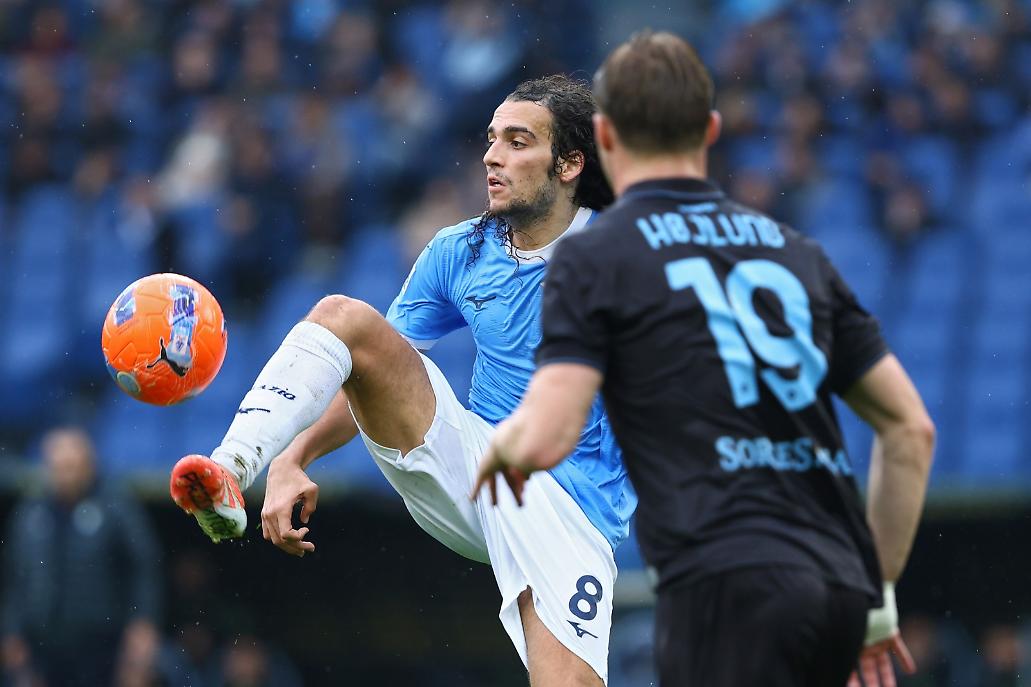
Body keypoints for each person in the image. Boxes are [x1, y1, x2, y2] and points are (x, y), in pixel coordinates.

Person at [474, 31, 935, 687]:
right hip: (829, 580)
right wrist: (875, 596)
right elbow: (910, 429)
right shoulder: (794, 251)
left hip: (721, 581)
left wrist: (501, 446)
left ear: (602, 139)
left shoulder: (600, 256)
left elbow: (551, 425)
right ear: (710, 129)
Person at [169, 75, 636, 686]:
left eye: (519, 142)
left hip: (570, 505)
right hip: (476, 464)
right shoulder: (460, 251)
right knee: (346, 319)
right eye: (491, 139)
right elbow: (365, 368)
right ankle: (232, 468)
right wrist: (293, 458)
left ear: (570, 163)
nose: (493, 156)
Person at [1, 427, 162, 687]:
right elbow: (14, 580)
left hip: (102, 646)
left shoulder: (116, 507)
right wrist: (11, 633)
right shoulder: (30, 514)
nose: (64, 475)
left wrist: (142, 625)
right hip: (43, 646)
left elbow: (142, 569)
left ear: (89, 466)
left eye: (71, 467)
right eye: (57, 467)